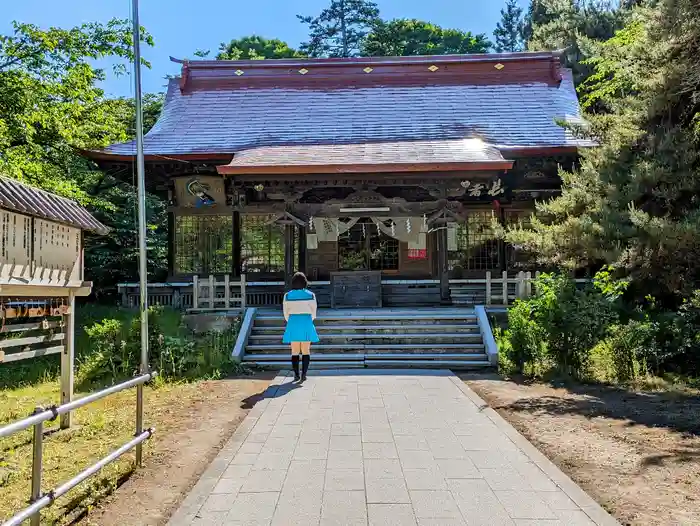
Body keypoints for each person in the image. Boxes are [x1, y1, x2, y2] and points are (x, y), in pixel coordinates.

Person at [282, 272, 319, 382]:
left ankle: (296, 374)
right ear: (305, 282)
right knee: (306, 350)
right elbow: (314, 313)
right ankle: (304, 374)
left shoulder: (287, 296)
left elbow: (285, 313)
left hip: (293, 322)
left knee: (294, 351)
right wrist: (308, 319)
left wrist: (292, 320)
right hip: (306, 322)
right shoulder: (311, 295)